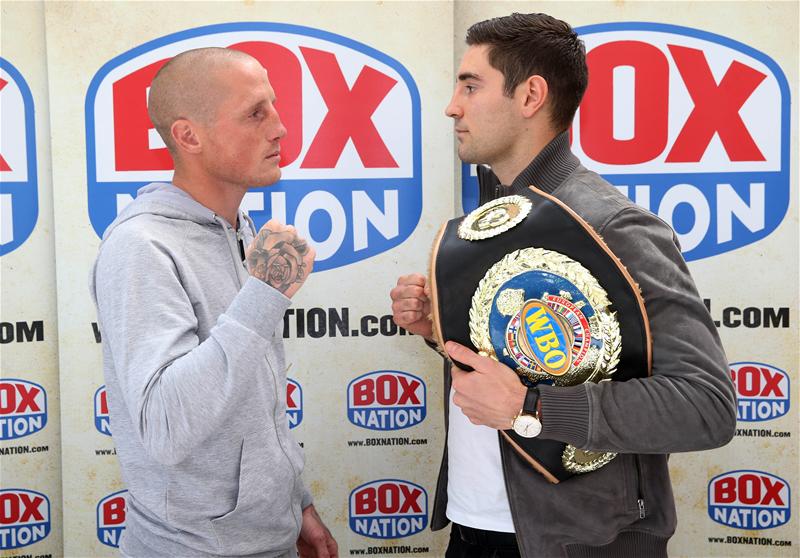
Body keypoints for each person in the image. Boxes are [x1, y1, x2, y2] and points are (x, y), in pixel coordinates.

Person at [390, 13, 736, 558]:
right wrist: (442, 332)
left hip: (583, 543)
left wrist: (533, 407)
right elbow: (546, 361)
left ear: (530, 95)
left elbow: (706, 406)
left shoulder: (612, 225)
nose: (452, 106)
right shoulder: (494, 215)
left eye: (471, 85)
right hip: (472, 526)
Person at [90, 47, 338, 558]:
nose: (280, 128)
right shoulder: (141, 247)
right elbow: (165, 426)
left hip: (269, 537)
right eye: (255, 112)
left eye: (274, 106)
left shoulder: (241, 230)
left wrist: (297, 503)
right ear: (188, 136)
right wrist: (264, 294)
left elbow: (253, 402)